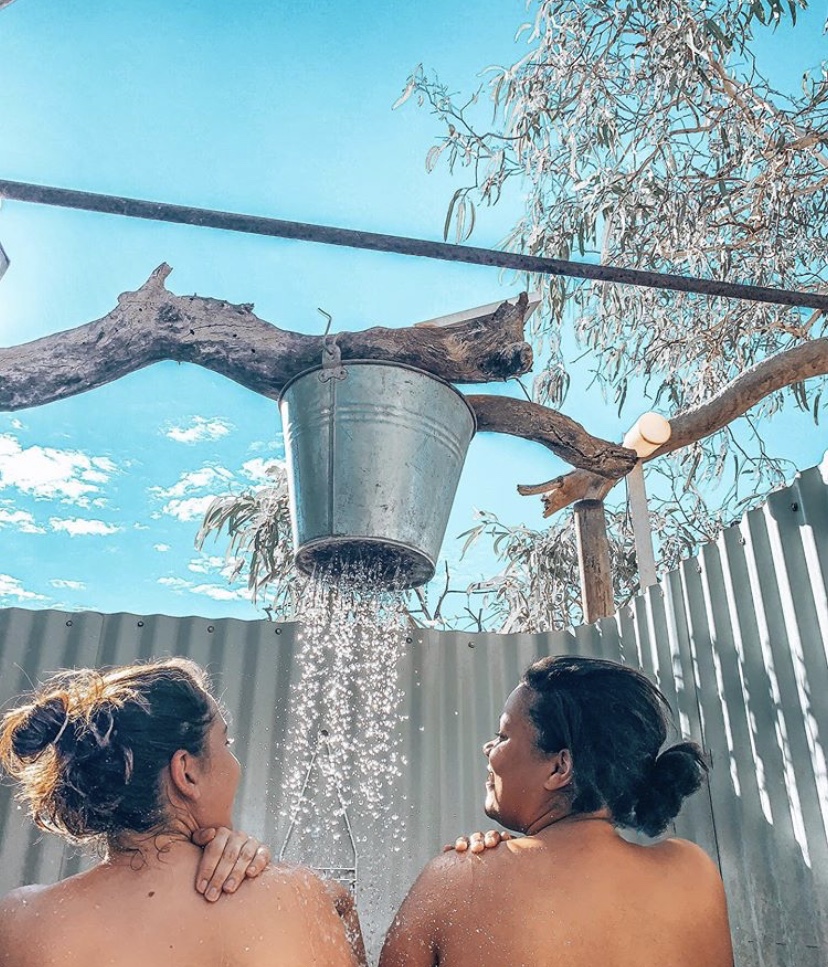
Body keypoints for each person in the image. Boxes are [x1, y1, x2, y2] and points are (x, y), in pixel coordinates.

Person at [0, 657, 361, 967]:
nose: (235, 764)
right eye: (226, 743)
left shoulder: (20, 919)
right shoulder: (290, 900)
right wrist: (325, 899)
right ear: (186, 772)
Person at [380, 655, 734, 967]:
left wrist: (343, 913)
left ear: (559, 768)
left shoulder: (453, 880)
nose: (488, 748)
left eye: (503, 737)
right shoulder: (693, 871)